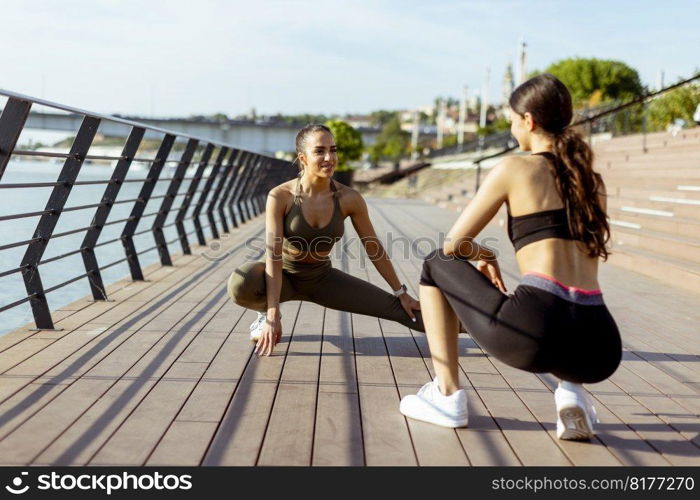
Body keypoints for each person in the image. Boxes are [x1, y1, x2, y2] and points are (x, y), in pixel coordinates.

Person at [399, 74, 622, 440]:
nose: (511, 127)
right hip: (598, 345)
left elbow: (455, 245)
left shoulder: (515, 168)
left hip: (534, 330)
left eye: (512, 120)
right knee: (568, 306)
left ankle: (446, 395)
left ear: (529, 120)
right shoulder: (590, 181)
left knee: (435, 263)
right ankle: (572, 393)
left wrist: (484, 253)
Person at [227, 124, 424, 356]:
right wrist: (272, 313)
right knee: (241, 283)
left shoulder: (350, 198)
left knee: (407, 313)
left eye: (333, 149)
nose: (329, 158)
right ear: (303, 158)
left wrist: (401, 293)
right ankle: (266, 313)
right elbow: (274, 254)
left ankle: (472, 325)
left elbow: (374, 249)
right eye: (319, 151)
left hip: (322, 279)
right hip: (284, 277)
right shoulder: (280, 197)